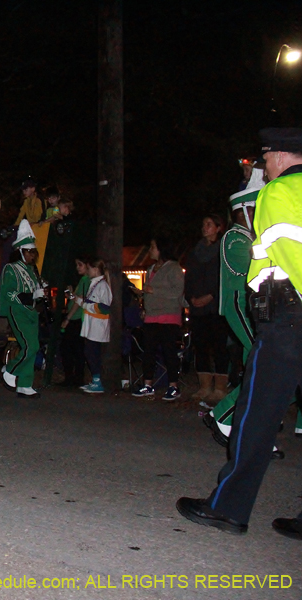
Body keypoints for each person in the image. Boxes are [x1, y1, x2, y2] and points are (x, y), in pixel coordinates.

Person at [177, 128, 302, 539]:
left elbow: (289, 253)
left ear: (283, 155)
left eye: (266, 156)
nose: (263, 165)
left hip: (288, 319)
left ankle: (228, 507)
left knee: (257, 414)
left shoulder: (279, 193)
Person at [204, 170, 261, 440]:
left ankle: (255, 425)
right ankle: (225, 415)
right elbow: (251, 268)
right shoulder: (235, 238)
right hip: (241, 305)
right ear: (244, 210)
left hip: (257, 306)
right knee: (264, 359)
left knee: (269, 365)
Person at [131, 237, 184, 401]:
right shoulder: (150, 268)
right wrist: (145, 306)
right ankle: (148, 384)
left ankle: (173, 386)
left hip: (169, 315)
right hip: (151, 316)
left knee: (169, 352)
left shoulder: (174, 268)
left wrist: (153, 291)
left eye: (153, 246)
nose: (150, 250)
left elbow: (177, 292)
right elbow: (149, 292)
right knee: (149, 352)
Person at [184, 214, 230, 402]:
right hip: (198, 308)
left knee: (219, 347)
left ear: (219, 228)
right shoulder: (196, 251)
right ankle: (204, 386)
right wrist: (191, 297)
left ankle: (220, 387)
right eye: (203, 224)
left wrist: (211, 296)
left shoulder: (224, 250)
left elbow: (225, 278)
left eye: (209, 224)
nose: (205, 228)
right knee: (200, 345)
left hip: (216, 307)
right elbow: (189, 278)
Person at [0, 220, 46, 397]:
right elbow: (9, 293)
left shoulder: (32, 270)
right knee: (30, 345)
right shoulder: (10, 269)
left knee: (33, 348)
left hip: (31, 312)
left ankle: (25, 384)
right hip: (18, 311)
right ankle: (10, 370)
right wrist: (31, 296)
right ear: (20, 251)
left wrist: (40, 293)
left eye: (34, 252)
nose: (32, 256)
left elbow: (32, 290)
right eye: (30, 252)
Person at [70, 258, 111, 394]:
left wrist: (87, 305)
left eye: (89, 268)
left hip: (97, 326)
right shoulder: (95, 284)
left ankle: (97, 381)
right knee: (90, 352)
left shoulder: (102, 285)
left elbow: (104, 307)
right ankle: (95, 380)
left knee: (92, 352)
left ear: (95, 269)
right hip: (91, 325)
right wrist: (78, 300)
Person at [59, 258, 90, 387]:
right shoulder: (84, 280)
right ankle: (73, 378)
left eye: (80, 264)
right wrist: (71, 295)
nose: (78, 267)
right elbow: (77, 299)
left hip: (76, 318)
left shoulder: (86, 281)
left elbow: (79, 302)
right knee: (73, 349)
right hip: (76, 318)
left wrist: (67, 318)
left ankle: (74, 378)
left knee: (70, 349)